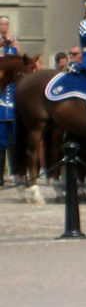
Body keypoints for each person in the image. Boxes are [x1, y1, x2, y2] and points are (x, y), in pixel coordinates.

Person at [0, 16, 18, 184]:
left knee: (14, 137)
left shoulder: (13, 46)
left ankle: (16, 171)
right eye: (1, 24)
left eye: (6, 24)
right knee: (1, 139)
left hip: (11, 96)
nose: (4, 27)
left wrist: (13, 47)